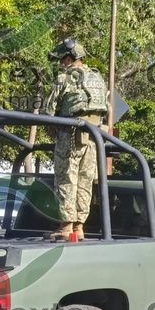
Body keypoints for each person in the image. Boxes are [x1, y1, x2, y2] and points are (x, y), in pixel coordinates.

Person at [43, 38, 109, 241]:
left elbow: (48, 110)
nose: (62, 64)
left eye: (63, 60)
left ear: (70, 58)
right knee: (85, 181)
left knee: (65, 178)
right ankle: (79, 227)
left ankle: (66, 226)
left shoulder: (64, 78)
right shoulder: (97, 79)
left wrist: (52, 130)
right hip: (94, 137)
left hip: (70, 134)